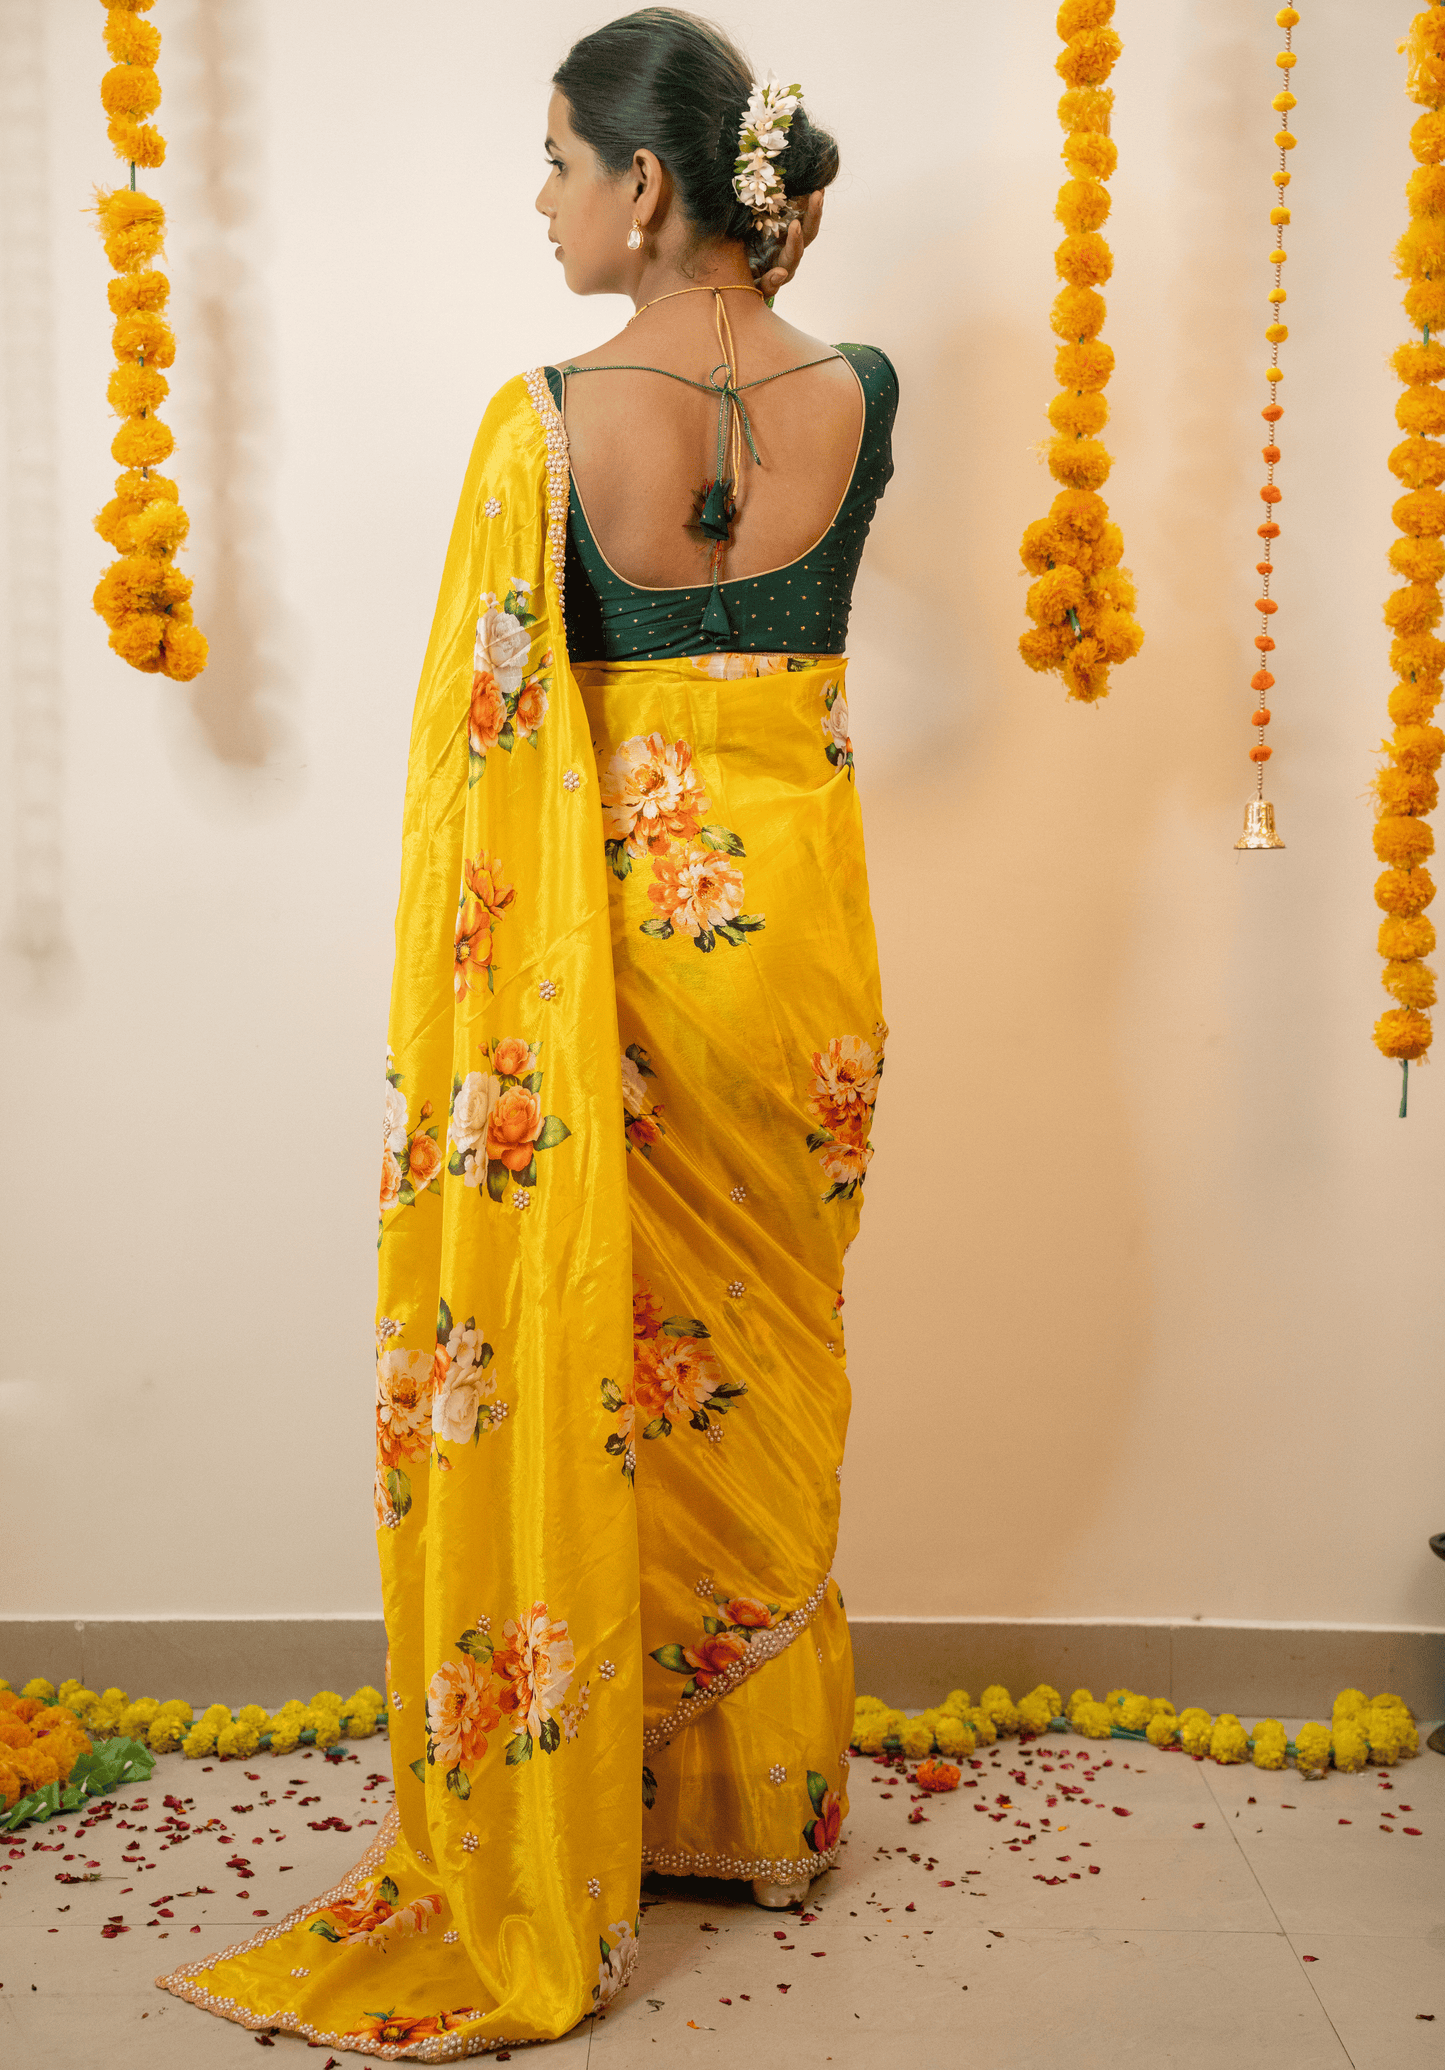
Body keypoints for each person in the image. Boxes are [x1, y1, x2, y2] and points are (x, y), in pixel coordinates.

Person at [160, 8, 897, 2054]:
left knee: (606, 1344)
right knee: (760, 1358)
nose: (542, 198)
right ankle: (754, 1808)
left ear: (644, 185)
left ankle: (598, 1801)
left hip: (617, 961)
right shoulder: (864, 390)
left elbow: (489, 749)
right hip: (803, 958)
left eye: (558, 161)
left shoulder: (545, 422)